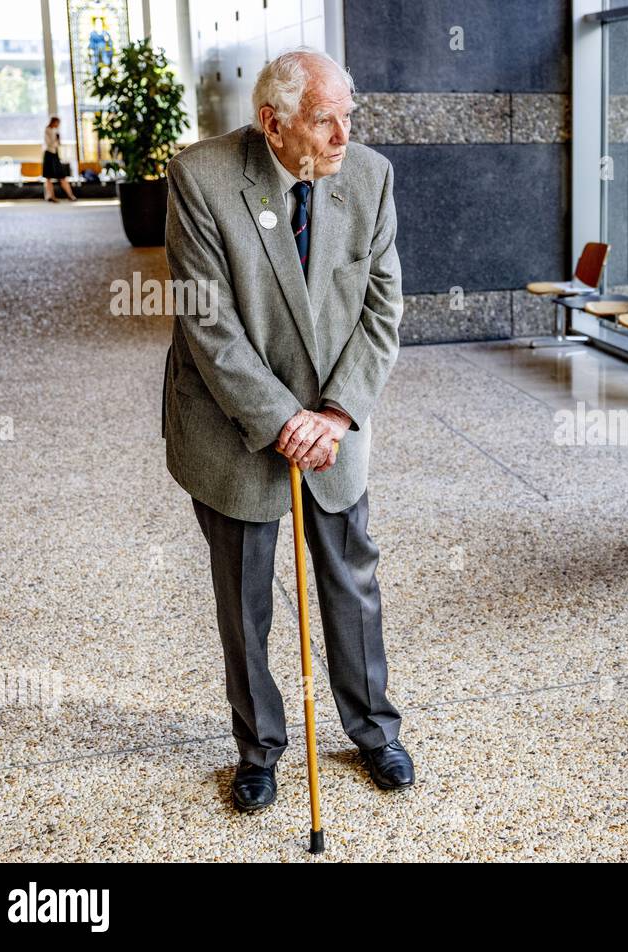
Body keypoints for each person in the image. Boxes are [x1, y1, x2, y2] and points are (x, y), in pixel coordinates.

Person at [162, 48, 412, 813]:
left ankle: (373, 730)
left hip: (335, 426)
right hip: (233, 423)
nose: (344, 136)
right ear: (273, 125)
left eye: (349, 117)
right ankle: (259, 747)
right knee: (245, 598)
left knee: (352, 581)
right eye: (324, 121)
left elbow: (383, 308)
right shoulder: (201, 179)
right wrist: (281, 420)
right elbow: (212, 328)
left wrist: (334, 414)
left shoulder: (369, 178)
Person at [42, 117, 77, 203]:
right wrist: (56, 140)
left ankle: (70, 195)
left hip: (55, 155)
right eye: (57, 123)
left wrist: (58, 141)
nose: (58, 125)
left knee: (62, 176)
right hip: (49, 155)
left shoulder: (55, 131)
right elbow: (49, 144)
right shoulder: (47, 130)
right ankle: (50, 196)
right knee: (48, 177)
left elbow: (57, 144)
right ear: (53, 122)